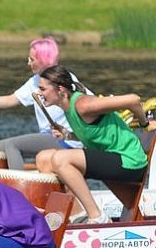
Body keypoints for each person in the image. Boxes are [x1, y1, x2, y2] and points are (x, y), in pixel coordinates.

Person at [34, 65, 151, 224]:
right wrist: (67, 135)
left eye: (42, 88)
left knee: (61, 159)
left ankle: (97, 217)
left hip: (130, 161)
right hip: (112, 159)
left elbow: (133, 100)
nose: (39, 93)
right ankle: (72, 215)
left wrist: (145, 124)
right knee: (44, 158)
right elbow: (94, 134)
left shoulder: (83, 104)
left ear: (60, 89)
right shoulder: (67, 108)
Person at [0, 37, 85, 170]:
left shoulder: (65, 79)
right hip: (48, 137)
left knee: (12, 145)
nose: (28, 63)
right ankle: (2, 185)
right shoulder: (35, 81)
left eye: (32, 59)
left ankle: (17, 187)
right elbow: (11, 99)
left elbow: (87, 100)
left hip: (67, 141)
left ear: (44, 60)